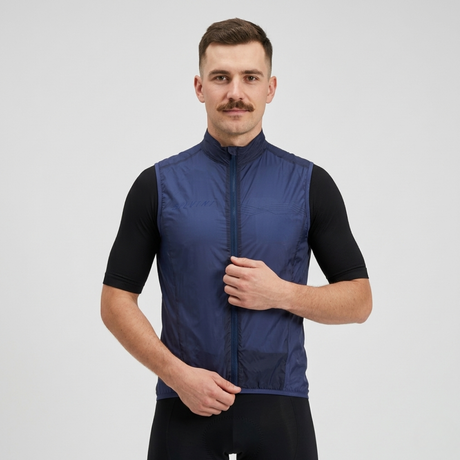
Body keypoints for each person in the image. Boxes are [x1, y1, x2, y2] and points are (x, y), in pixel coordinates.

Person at [101, 18, 372, 460]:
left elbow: (359, 300)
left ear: (270, 88)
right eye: (221, 77)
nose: (235, 92)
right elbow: (115, 302)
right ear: (199, 87)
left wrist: (281, 293)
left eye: (250, 77)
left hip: (280, 408)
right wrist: (177, 375)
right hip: (184, 405)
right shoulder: (158, 185)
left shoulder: (309, 184)